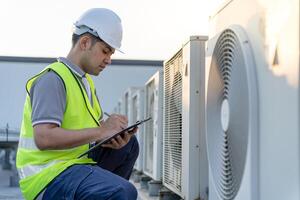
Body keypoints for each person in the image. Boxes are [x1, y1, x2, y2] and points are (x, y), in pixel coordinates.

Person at [16, 8, 139, 200]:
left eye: (111, 53)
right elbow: (44, 138)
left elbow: (90, 134)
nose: (109, 59)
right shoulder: (53, 79)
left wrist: (112, 137)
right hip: (46, 176)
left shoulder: (85, 82)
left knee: (129, 145)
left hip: (74, 165)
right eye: (105, 51)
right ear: (85, 42)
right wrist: (101, 131)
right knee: (122, 191)